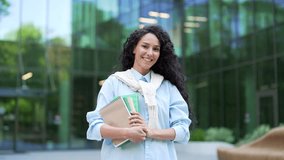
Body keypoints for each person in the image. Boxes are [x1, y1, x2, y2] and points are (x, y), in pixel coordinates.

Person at [86, 25, 192, 160]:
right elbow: (95, 127)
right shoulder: (114, 83)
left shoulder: (168, 87)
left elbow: (183, 131)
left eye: (156, 49)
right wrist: (127, 133)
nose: (150, 53)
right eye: (145, 46)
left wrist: (150, 132)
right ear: (134, 48)